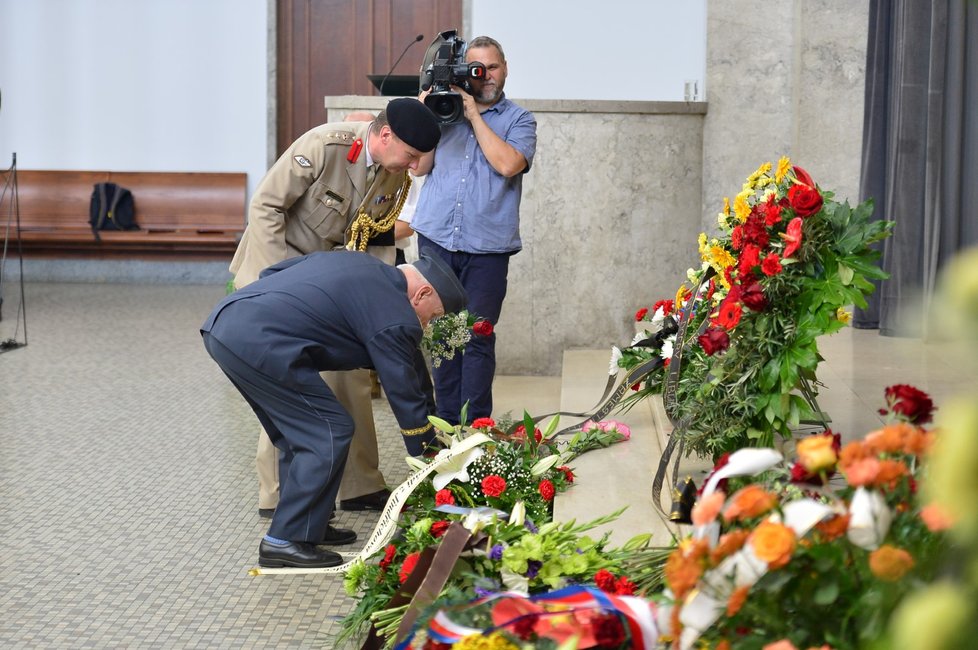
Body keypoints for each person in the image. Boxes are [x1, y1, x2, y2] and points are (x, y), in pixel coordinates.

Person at [229, 98, 441, 522]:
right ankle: (276, 494)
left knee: (352, 376)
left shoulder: (392, 177)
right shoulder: (325, 146)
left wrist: (377, 312)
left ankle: (360, 485)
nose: (415, 166)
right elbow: (265, 205)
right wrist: (276, 282)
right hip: (276, 277)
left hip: (328, 283)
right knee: (289, 383)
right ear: (385, 136)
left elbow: (373, 237)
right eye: (411, 155)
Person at [202, 251, 468, 568]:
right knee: (328, 429)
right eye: (433, 315)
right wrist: (430, 458)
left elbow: (273, 271)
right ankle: (283, 541)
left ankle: (307, 527)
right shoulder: (394, 311)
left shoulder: (365, 265)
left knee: (300, 435)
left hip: (228, 325)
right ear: (421, 294)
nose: (427, 325)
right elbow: (404, 392)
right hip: (261, 342)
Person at [412, 35, 537, 425]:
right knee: (442, 334)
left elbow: (508, 165)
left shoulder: (519, 119)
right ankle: (446, 425)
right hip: (436, 237)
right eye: (475, 68)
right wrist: (423, 109)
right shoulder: (441, 112)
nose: (484, 76)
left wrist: (473, 116)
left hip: (488, 247)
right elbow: (418, 166)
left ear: (505, 69)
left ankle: (475, 428)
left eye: (492, 67)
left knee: (478, 335)